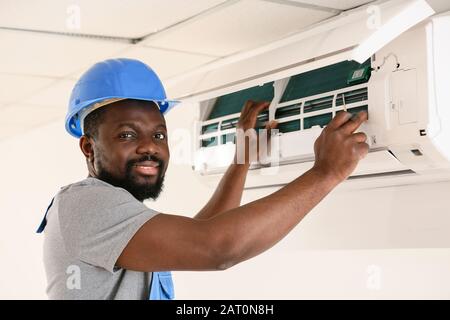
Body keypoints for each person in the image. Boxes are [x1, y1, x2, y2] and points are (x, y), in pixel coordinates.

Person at [38, 58, 369, 300]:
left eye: (159, 134)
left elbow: (207, 229)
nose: (149, 147)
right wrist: (327, 173)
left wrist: (242, 156)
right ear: (88, 146)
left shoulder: (117, 217)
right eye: (127, 135)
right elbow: (218, 248)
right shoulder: (85, 202)